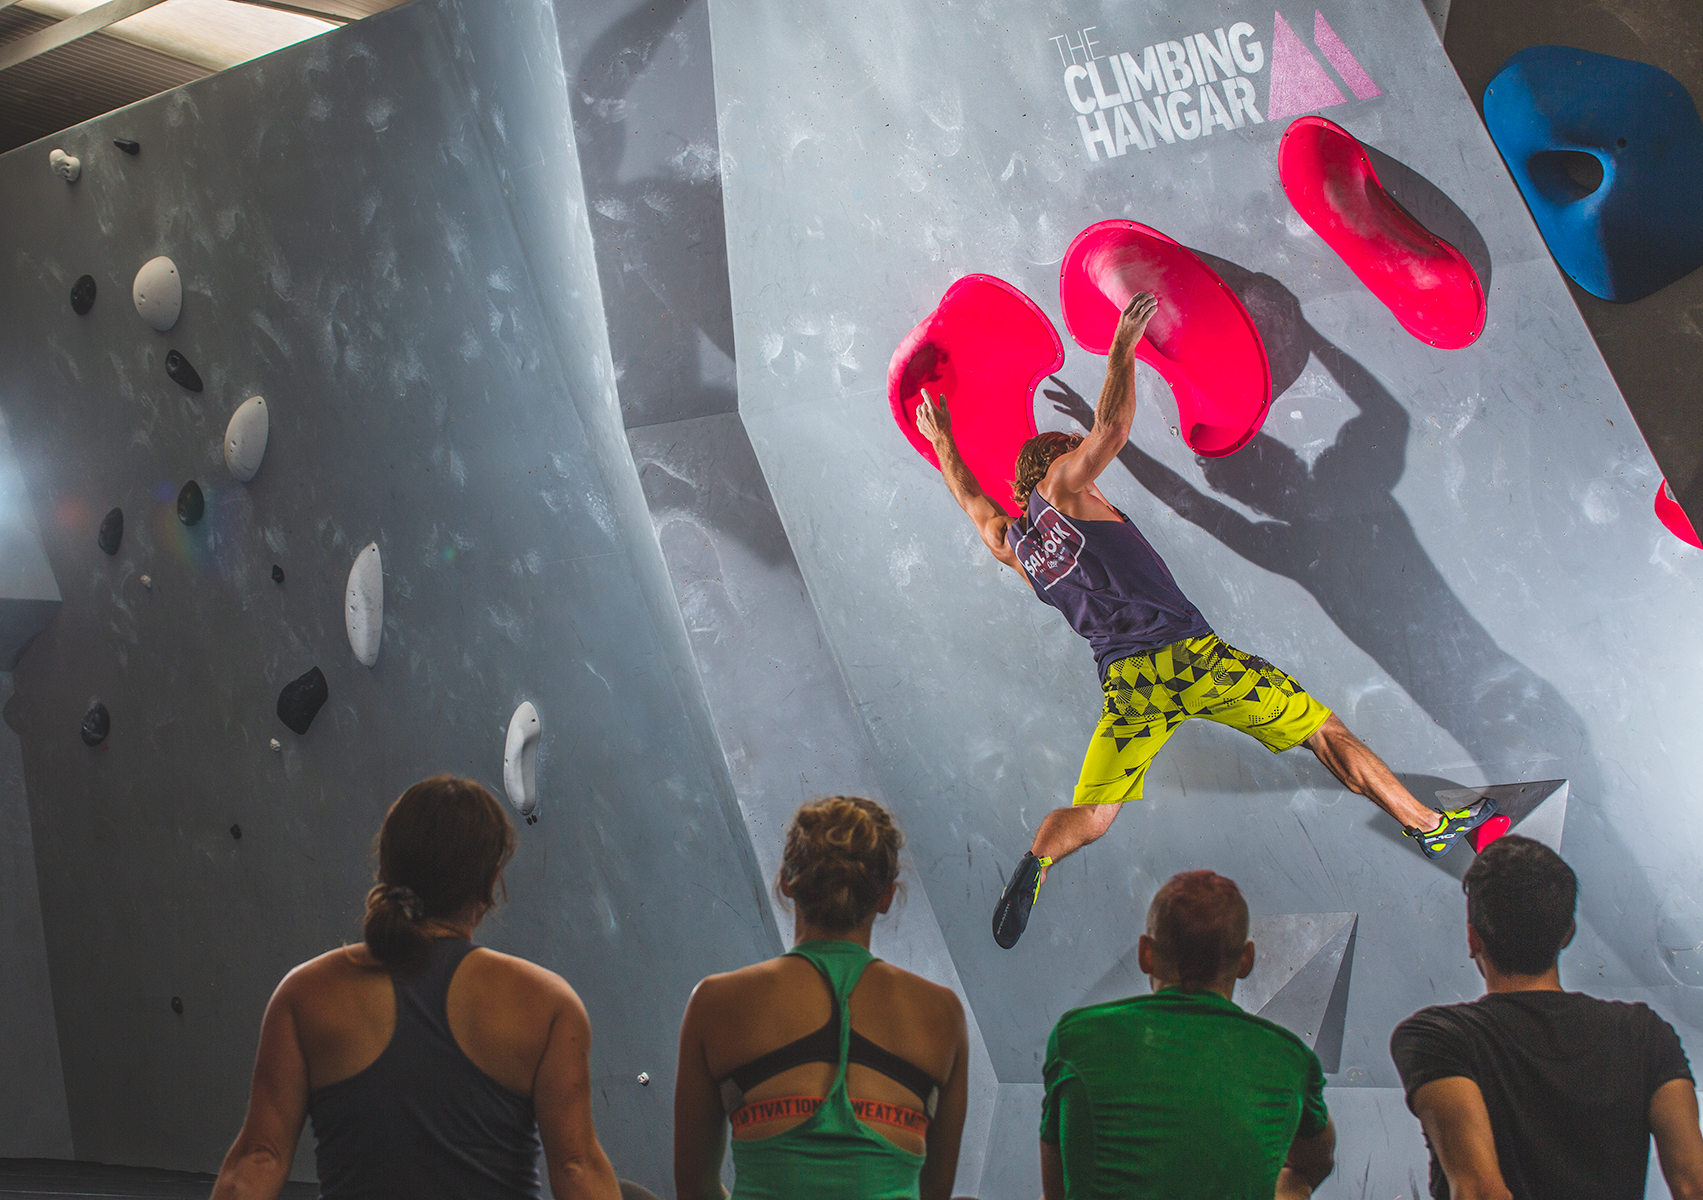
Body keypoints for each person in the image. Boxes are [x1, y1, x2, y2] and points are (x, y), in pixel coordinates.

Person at [914, 290, 1497, 949]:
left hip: (1125, 688)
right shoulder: (1063, 487)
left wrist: (942, 444)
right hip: (1191, 659)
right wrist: (1121, 351)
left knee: (1095, 812)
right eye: (1076, 460)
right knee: (1323, 733)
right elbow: (1110, 431)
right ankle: (1428, 825)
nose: (1095, 475)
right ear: (1053, 465)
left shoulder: (1015, 548)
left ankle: (1037, 862)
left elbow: (972, 501)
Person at [210, 775, 621, 1200]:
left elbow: (259, 1158)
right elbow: (576, 1167)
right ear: (488, 884)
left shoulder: (305, 993)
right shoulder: (545, 1002)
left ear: (386, 869)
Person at [673, 796, 970, 1200]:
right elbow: (934, 1194)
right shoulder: (941, 1014)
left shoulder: (715, 1003)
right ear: (885, 897)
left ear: (786, 882)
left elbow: (696, 1189)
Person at [1389, 835, 1703, 1200]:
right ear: (1567, 933)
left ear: (1474, 938)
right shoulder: (1645, 1034)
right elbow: (1694, 1184)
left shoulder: (1438, 1037)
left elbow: (1480, 1192)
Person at [1041, 869, 1335, 1199]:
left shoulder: (1075, 1036)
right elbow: (1316, 1163)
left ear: (1145, 954)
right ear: (1245, 960)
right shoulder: (1292, 1059)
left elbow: (1055, 1191)